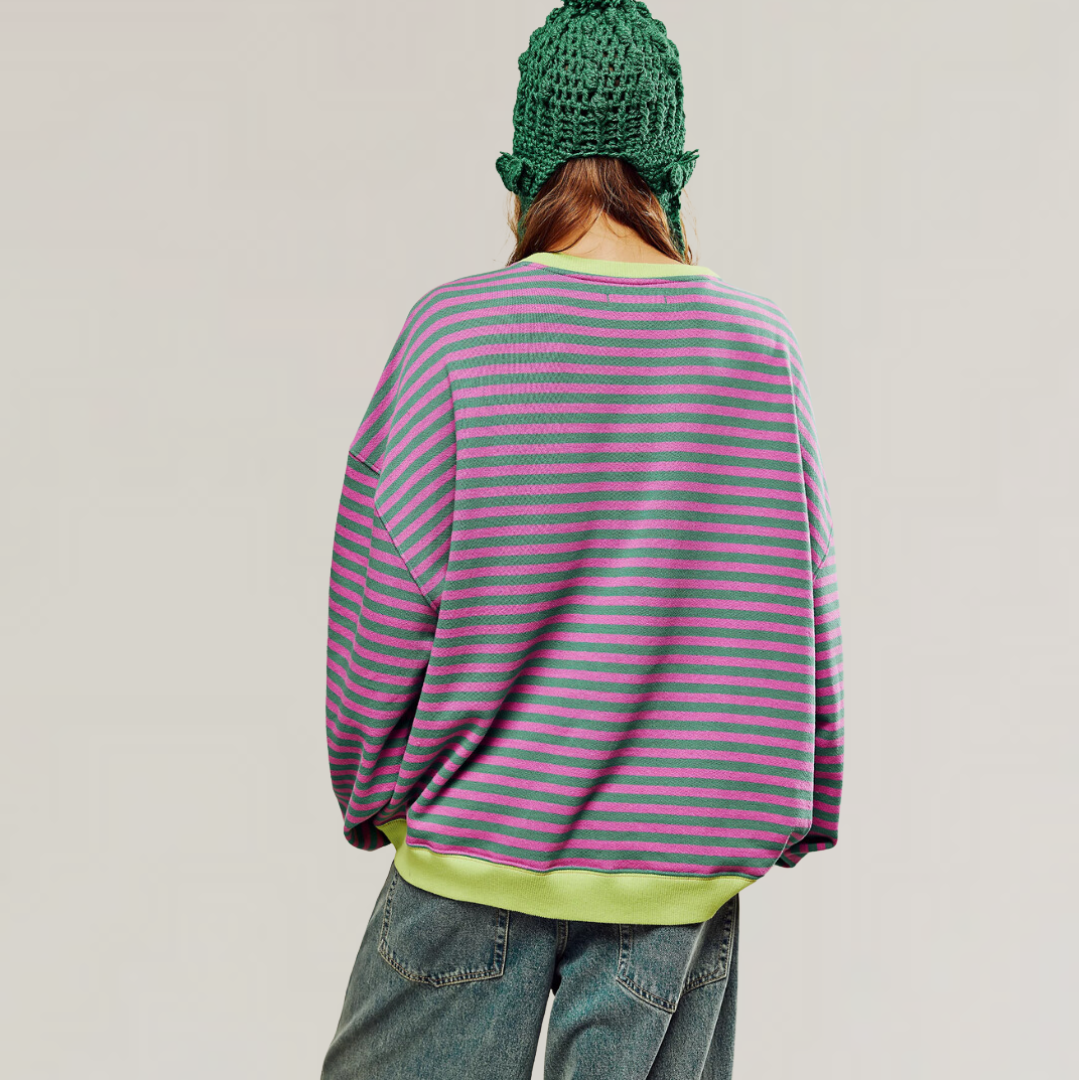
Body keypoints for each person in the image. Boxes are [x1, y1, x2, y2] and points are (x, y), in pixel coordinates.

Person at [320, 1, 844, 1077]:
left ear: (527, 165)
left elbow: (383, 596)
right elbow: (800, 604)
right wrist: (805, 802)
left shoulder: (456, 333)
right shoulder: (757, 347)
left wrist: (369, 788)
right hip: (674, 890)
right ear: (668, 169)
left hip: (472, 852)